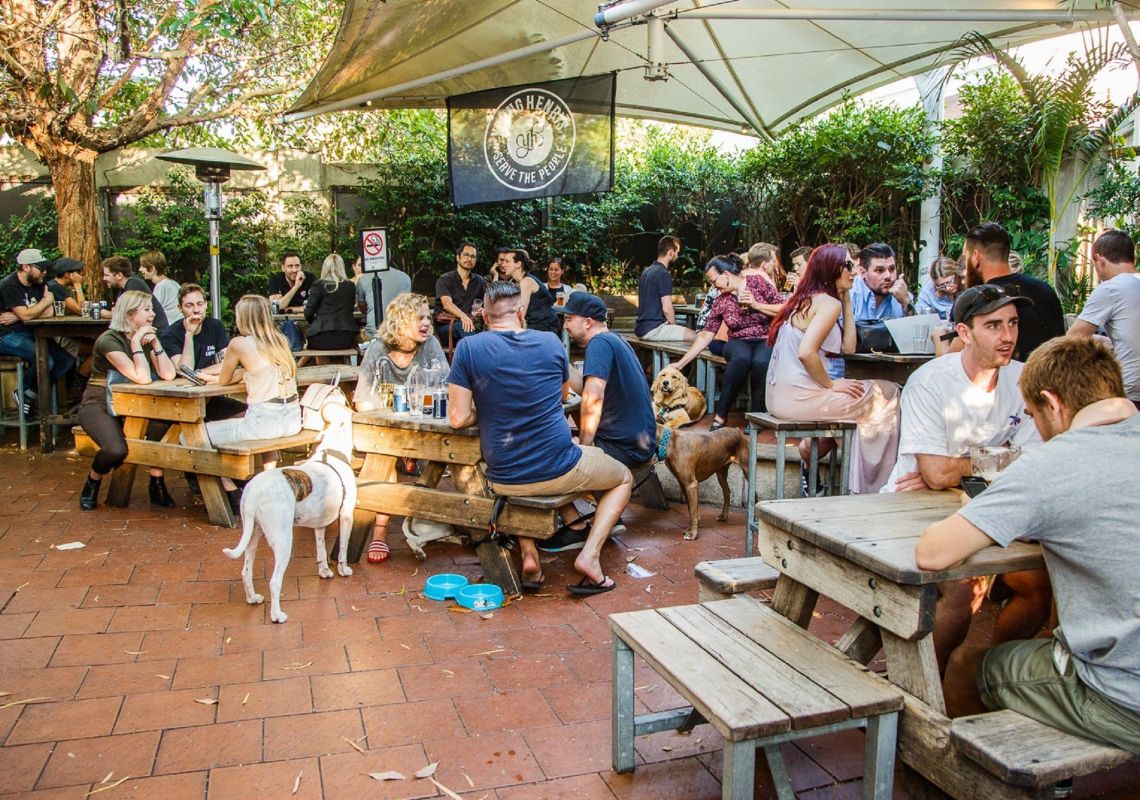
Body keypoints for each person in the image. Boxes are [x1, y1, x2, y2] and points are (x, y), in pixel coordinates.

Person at [915, 337, 1140, 757]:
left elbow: (933, 552)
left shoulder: (1054, 462)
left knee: (966, 667)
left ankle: (963, 776)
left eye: (1034, 415)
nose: (1036, 427)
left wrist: (988, 507)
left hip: (1123, 696)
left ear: (1052, 403)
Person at [883, 284, 1048, 673]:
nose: (1007, 336)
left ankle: (990, 670)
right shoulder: (931, 381)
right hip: (911, 503)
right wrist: (996, 461)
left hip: (981, 501)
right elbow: (934, 475)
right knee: (962, 589)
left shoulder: (1024, 378)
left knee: (1038, 585)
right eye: (993, 325)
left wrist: (958, 466)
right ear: (964, 333)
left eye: (1013, 323)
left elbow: (1037, 462)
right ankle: (926, 687)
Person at [448, 281, 632, 595]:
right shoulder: (549, 343)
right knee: (624, 478)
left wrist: (486, 406)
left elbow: (457, 418)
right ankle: (589, 556)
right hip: (559, 468)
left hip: (504, 477)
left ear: (484, 317)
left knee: (522, 466)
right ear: (521, 312)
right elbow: (562, 394)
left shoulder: (468, 348)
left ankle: (530, 554)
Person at [765, 244, 900, 493]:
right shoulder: (826, 303)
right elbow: (806, 352)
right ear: (832, 269)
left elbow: (848, 348)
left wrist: (846, 300)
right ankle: (873, 486)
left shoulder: (814, 299)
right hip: (798, 398)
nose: (854, 271)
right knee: (890, 392)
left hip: (779, 397)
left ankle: (857, 478)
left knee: (871, 396)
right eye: (848, 265)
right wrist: (830, 384)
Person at [354, 292, 448, 564]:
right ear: (400, 320)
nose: (426, 323)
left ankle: (434, 520)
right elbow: (362, 401)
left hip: (424, 425)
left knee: (452, 455)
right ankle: (379, 533)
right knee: (384, 457)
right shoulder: (378, 349)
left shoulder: (429, 344)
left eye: (428, 317)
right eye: (419, 317)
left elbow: (445, 384)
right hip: (388, 427)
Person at [199, 295, 302, 513]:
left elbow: (225, 379)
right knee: (249, 424)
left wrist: (210, 378)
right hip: (292, 420)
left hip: (263, 424)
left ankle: (230, 488)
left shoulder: (239, 344)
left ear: (243, 318)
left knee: (195, 435)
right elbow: (251, 370)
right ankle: (268, 483)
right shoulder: (279, 341)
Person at [76, 290, 177, 511]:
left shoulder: (147, 337)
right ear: (130, 314)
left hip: (135, 404)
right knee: (115, 450)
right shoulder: (109, 340)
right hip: (99, 401)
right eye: (147, 310)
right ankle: (93, 480)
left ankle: (156, 482)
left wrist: (157, 343)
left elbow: (168, 374)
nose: (153, 314)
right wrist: (137, 344)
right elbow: (140, 377)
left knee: (164, 422)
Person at [674, 254, 784, 429]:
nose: (713, 286)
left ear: (726, 274)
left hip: (764, 338)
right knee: (741, 360)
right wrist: (681, 363)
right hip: (737, 340)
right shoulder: (720, 300)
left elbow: (784, 308)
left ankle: (757, 417)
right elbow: (706, 335)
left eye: (713, 280)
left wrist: (756, 305)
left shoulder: (757, 283)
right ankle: (721, 414)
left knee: (761, 362)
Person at [559, 292, 656, 471]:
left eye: (569, 319)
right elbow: (585, 387)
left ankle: (589, 497)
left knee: (552, 451)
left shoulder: (599, 344)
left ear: (588, 322)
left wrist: (585, 449)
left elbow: (592, 399)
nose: (564, 326)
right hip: (639, 445)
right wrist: (562, 361)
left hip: (623, 449)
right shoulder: (615, 339)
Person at [960, 222, 1064, 360]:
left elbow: (951, 360)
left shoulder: (978, 297)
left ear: (975, 257)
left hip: (1002, 378)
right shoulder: (1044, 289)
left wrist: (938, 336)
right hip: (1046, 374)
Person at [1068, 229, 1139, 406]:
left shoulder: (1110, 288)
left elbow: (1073, 339)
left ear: (1099, 260)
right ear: (1134, 259)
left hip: (1130, 391)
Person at [0, 248, 75, 412]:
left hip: (30, 333)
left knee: (66, 359)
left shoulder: (39, 284)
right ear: (26, 267)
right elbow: (31, 314)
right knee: (46, 361)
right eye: (41, 269)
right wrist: (44, 303)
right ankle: (27, 391)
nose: (44, 272)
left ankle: (28, 392)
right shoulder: (9, 285)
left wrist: (20, 315)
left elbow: (49, 312)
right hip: (6, 335)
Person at [635, 235, 696, 342]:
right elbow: (667, 309)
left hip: (641, 328)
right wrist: (673, 326)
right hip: (654, 329)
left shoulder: (646, 272)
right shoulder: (663, 274)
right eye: (677, 252)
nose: (677, 255)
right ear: (671, 252)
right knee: (699, 337)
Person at [304, 254, 359, 356]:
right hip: (346, 336)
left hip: (321, 335)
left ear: (325, 267)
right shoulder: (350, 286)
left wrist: (315, 322)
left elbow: (308, 313)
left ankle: (322, 369)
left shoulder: (318, 285)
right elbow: (350, 309)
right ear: (341, 267)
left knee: (314, 347)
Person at [434, 242, 486, 344]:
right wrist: (463, 317)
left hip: (470, 327)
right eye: (466, 255)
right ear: (458, 258)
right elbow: (447, 304)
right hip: (447, 327)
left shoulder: (479, 281)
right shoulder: (445, 279)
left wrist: (481, 310)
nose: (469, 259)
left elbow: (482, 303)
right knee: (463, 328)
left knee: (471, 335)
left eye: (473, 256)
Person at [500, 248, 560, 334]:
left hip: (543, 330)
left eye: (507, 261)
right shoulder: (516, 282)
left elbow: (520, 315)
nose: (503, 264)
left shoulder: (526, 282)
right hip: (533, 327)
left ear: (518, 264)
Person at [101, 255, 168, 329]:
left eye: (107, 275)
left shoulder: (134, 285)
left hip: (156, 332)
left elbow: (131, 315)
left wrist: (111, 314)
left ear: (119, 275)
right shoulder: (124, 287)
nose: (104, 278)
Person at [850, 243, 912, 320]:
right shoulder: (850, 294)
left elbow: (917, 329)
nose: (888, 276)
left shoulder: (903, 295)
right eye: (879, 270)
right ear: (863, 273)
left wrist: (906, 303)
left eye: (892, 269)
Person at [355, 258, 411, 340]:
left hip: (373, 333)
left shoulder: (364, 279)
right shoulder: (405, 277)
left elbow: (362, 308)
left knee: (356, 337)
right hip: (400, 332)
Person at [138, 251, 181, 323]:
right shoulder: (174, 283)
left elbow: (152, 311)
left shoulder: (161, 286)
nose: (140, 269)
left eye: (143, 266)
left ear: (152, 269)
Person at [915, 255, 961, 320]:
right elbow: (921, 318)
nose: (947, 288)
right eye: (942, 285)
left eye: (950, 281)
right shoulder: (928, 293)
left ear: (957, 274)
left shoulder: (966, 284)